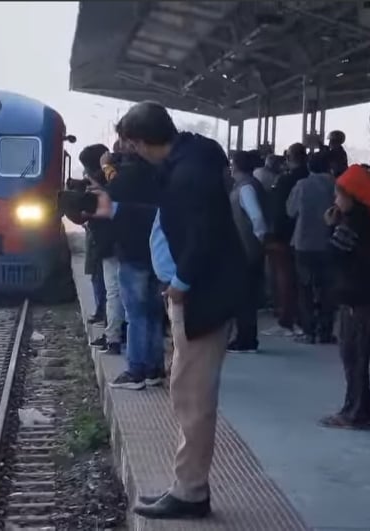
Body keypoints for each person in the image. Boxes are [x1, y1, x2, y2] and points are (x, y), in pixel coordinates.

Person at [89, 101, 246, 519]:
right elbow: (170, 213)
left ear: (140, 142)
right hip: (199, 292)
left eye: (131, 146)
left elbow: (203, 235)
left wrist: (180, 285)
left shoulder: (188, 174)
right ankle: (187, 484)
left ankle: (190, 492)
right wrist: (114, 208)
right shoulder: (190, 158)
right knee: (184, 388)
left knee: (192, 395)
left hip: (202, 297)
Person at [320, 164, 370, 429]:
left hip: (355, 298)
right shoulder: (368, 218)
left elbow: (332, 257)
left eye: (339, 195)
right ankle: (356, 409)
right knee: (355, 357)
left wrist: (330, 227)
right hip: (363, 296)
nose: (335, 200)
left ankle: (356, 411)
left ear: (352, 196)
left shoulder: (353, 224)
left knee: (353, 358)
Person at [101, 139, 164, 388]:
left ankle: (136, 370)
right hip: (157, 254)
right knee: (154, 313)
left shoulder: (121, 181)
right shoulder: (161, 175)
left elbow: (106, 214)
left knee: (136, 314)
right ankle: (155, 369)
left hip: (131, 254)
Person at [286, 151, 337, 344]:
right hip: (328, 242)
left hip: (304, 243)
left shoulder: (302, 185)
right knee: (327, 289)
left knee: (305, 288)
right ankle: (325, 331)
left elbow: (290, 211)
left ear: (309, 166)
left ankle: (309, 331)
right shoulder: (336, 185)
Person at [81, 144, 124, 354]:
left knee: (114, 291)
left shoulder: (112, 180)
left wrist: (88, 212)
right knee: (117, 291)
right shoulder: (114, 177)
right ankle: (114, 333)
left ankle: (113, 337)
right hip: (118, 243)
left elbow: (109, 211)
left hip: (113, 244)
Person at [263, 143, 308, 337]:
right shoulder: (309, 177)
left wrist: (272, 234)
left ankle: (286, 319)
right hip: (307, 237)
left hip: (283, 236)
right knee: (303, 281)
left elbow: (279, 210)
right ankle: (304, 320)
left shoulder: (285, 180)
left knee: (284, 278)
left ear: (289, 158)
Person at [228, 150, 269, 353]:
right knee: (247, 294)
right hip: (247, 247)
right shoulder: (250, 185)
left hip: (245, 248)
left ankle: (245, 339)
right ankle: (246, 337)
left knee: (244, 295)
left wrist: (259, 238)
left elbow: (256, 217)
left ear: (236, 165)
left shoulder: (245, 188)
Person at [78, 145, 110, 329]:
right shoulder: (102, 180)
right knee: (97, 275)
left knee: (100, 276)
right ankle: (102, 310)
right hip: (96, 234)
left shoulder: (103, 182)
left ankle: (103, 311)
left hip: (101, 236)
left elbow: (102, 210)